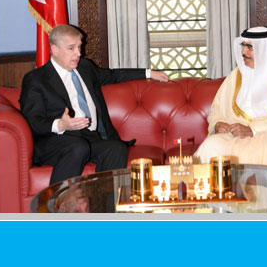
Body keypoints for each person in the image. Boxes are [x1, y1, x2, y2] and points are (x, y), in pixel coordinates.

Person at [18, 24, 170, 184]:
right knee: (78, 146)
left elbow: (113, 75)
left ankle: (104, 204)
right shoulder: (36, 79)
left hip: (90, 138)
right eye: (71, 48)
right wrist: (61, 124)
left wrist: (149, 73)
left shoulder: (85, 67)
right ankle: (56, 204)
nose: (78, 53)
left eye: (79, 47)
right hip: (56, 141)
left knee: (116, 148)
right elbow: (33, 121)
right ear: (55, 50)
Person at [194, 26, 267, 169]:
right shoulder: (236, 76)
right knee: (211, 145)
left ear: (265, 50)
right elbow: (217, 108)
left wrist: (252, 129)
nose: (243, 52)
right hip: (234, 135)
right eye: (243, 46)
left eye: (249, 47)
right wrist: (217, 124)